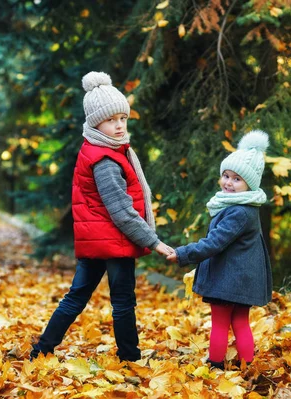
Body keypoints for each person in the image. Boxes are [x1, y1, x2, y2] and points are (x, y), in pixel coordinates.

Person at [30, 71, 173, 362]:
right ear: (96, 122)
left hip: (97, 240)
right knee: (122, 302)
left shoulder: (101, 148)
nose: (119, 125)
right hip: (114, 242)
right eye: (111, 120)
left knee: (76, 296)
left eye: (123, 118)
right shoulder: (105, 159)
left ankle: (41, 351)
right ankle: (130, 358)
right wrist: (154, 242)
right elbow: (121, 211)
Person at [167, 130, 273, 369]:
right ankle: (247, 368)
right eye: (226, 176)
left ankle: (215, 367)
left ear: (249, 184)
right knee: (240, 322)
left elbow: (214, 242)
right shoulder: (246, 207)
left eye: (237, 179)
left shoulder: (238, 211)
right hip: (241, 279)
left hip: (229, 280)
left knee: (221, 323)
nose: (228, 182)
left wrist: (183, 254)